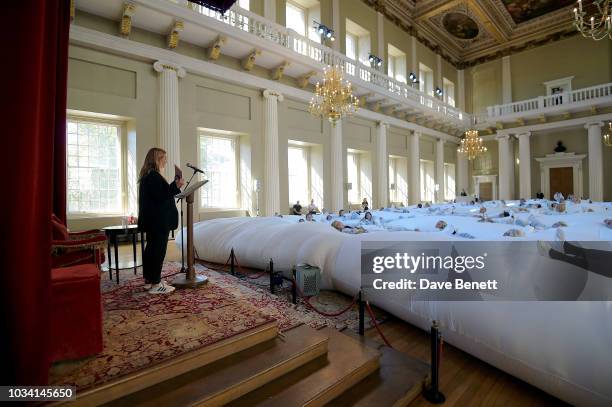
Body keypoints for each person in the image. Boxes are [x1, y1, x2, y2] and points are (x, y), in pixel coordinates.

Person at [138, 148, 184, 294]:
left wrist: (173, 186)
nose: (166, 161)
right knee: (157, 250)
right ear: (157, 159)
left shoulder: (150, 175)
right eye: (164, 158)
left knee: (151, 249)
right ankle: (156, 284)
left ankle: (151, 280)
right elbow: (162, 196)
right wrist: (176, 185)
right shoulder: (153, 176)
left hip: (154, 220)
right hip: (158, 221)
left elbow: (161, 194)